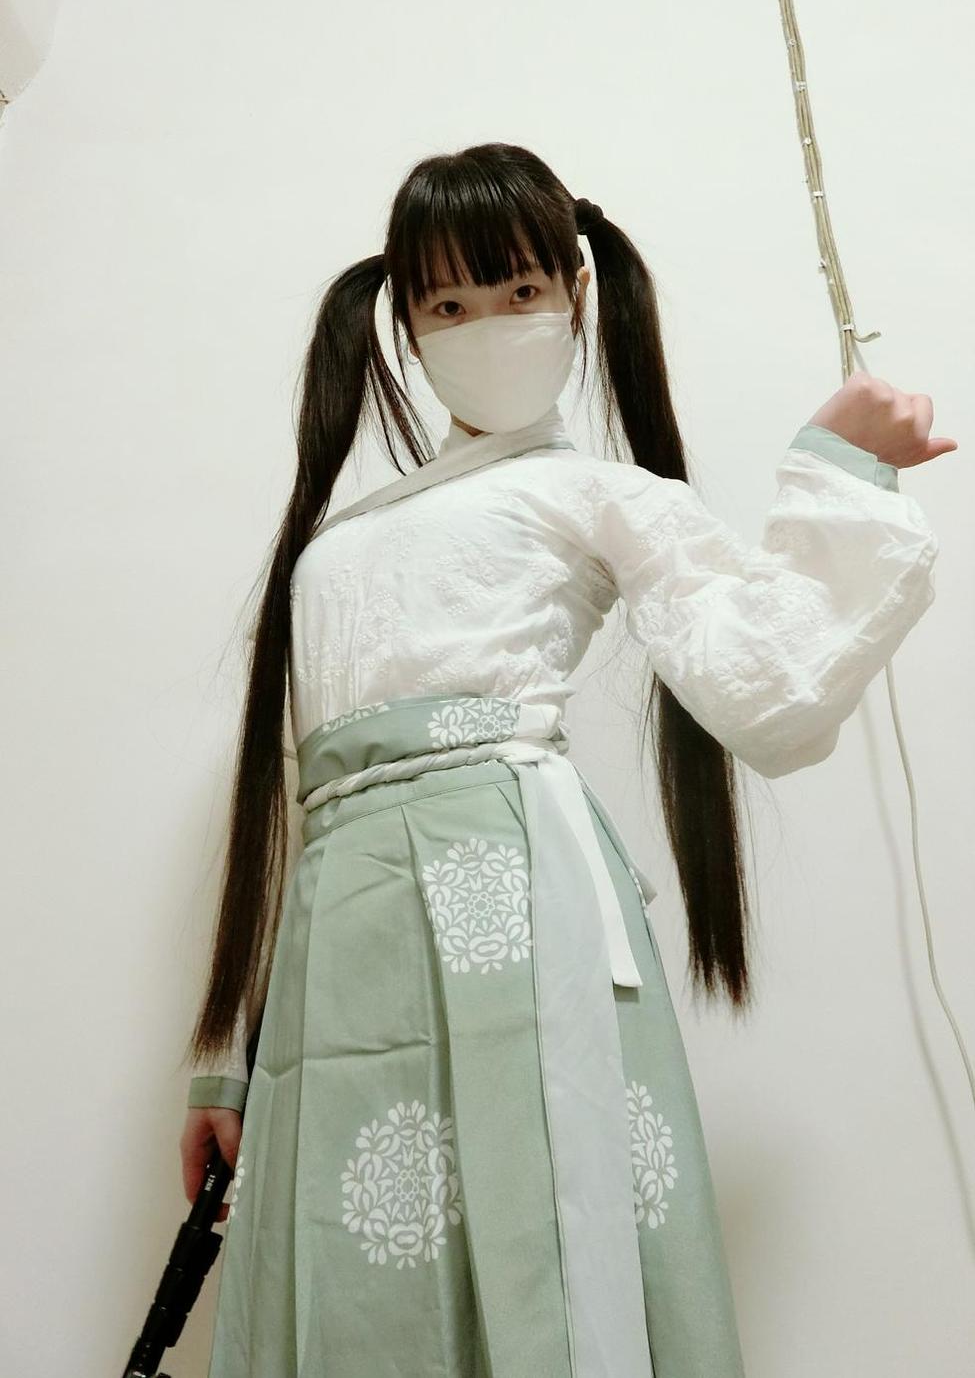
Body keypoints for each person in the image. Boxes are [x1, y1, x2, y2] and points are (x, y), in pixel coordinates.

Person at [178, 142, 949, 1376]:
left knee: (542, 1230)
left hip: (513, 899)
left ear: (576, 293)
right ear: (405, 323)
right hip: (339, 934)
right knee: (354, 1265)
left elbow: (767, 681)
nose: (487, 324)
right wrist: (229, 1050)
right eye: (447, 304)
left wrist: (844, 461)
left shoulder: (596, 494)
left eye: (520, 289)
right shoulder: (339, 537)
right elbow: (287, 795)